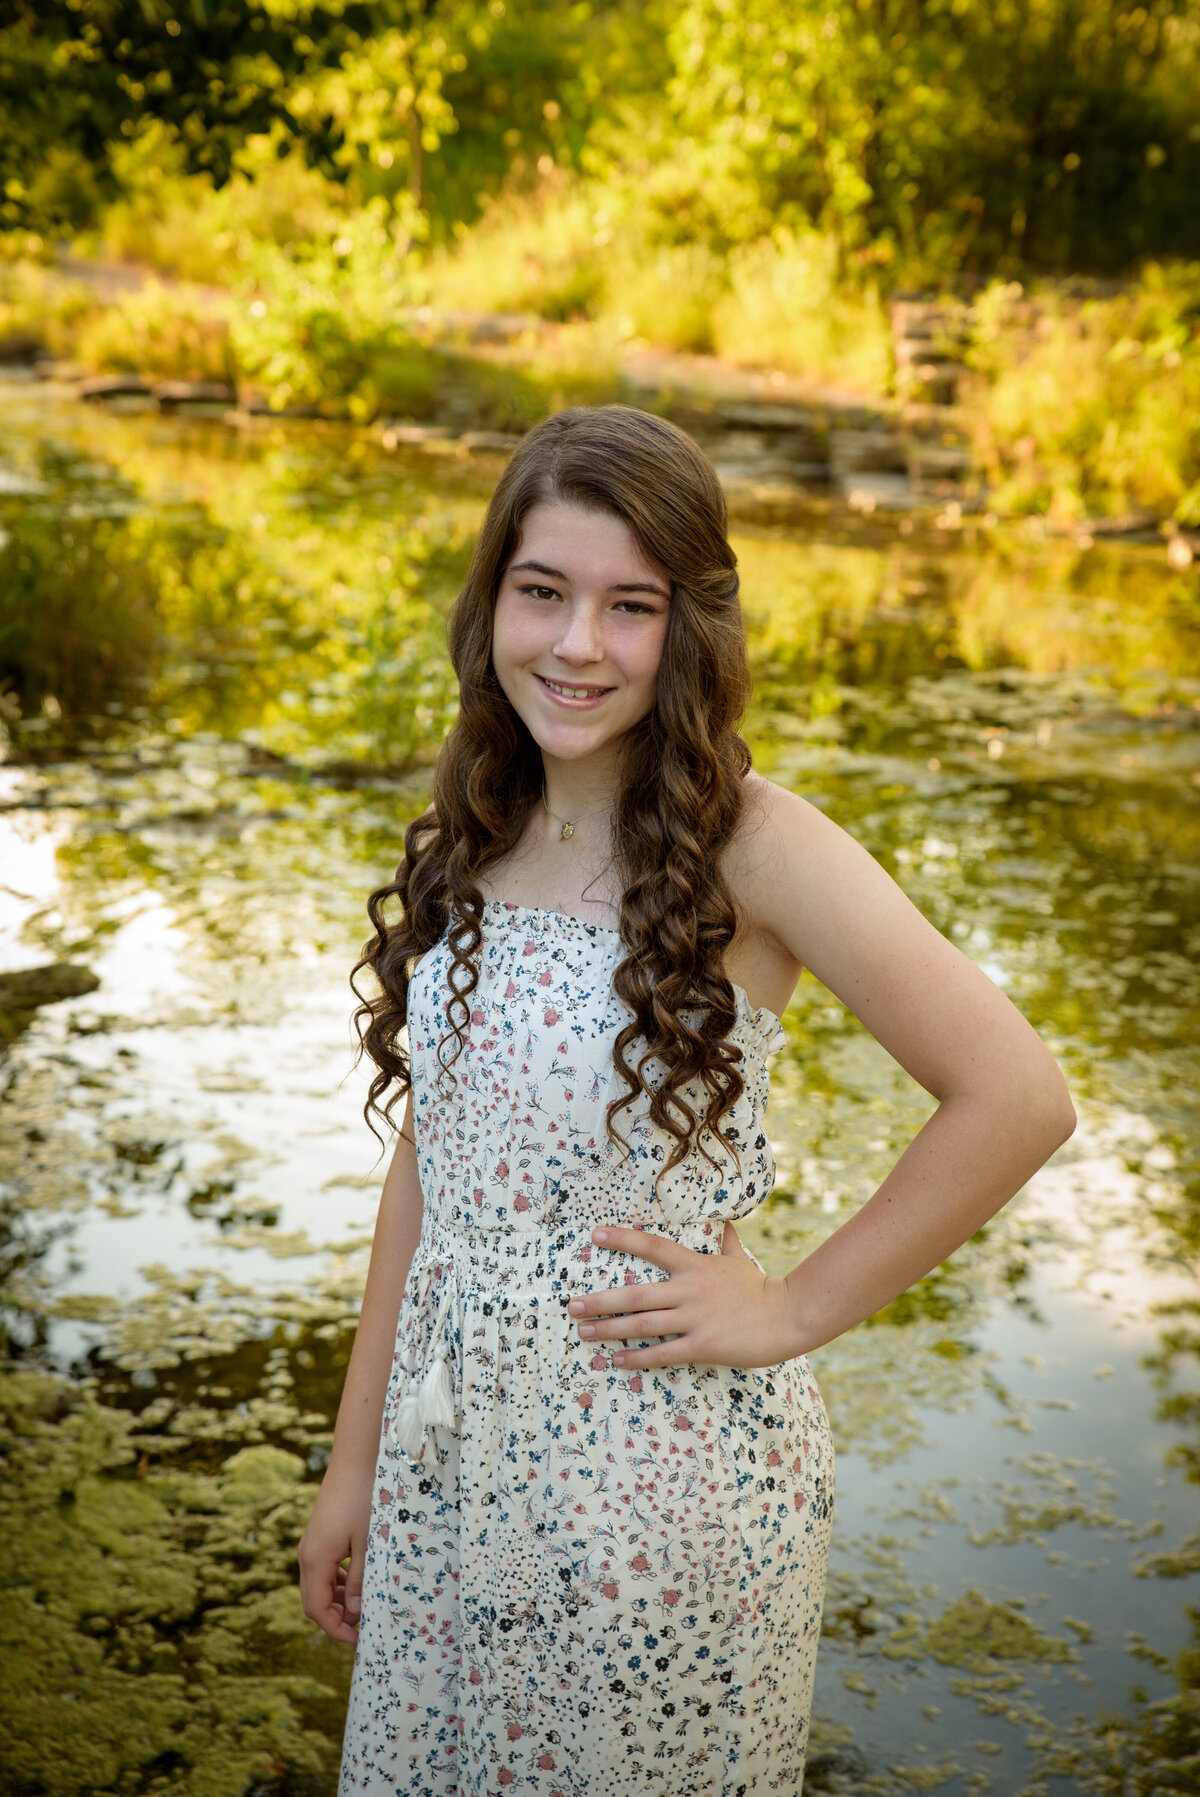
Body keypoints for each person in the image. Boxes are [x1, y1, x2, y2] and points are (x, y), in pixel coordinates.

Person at [298, 404, 1076, 1795]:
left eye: (630, 605)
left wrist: (791, 1308)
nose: (579, 643)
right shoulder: (474, 824)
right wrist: (354, 1461)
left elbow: (1016, 1093)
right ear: (493, 606)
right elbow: (436, 1155)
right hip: (454, 1462)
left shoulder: (752, 843)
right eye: (544, 592)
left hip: (652, 1486)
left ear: (688, 627)